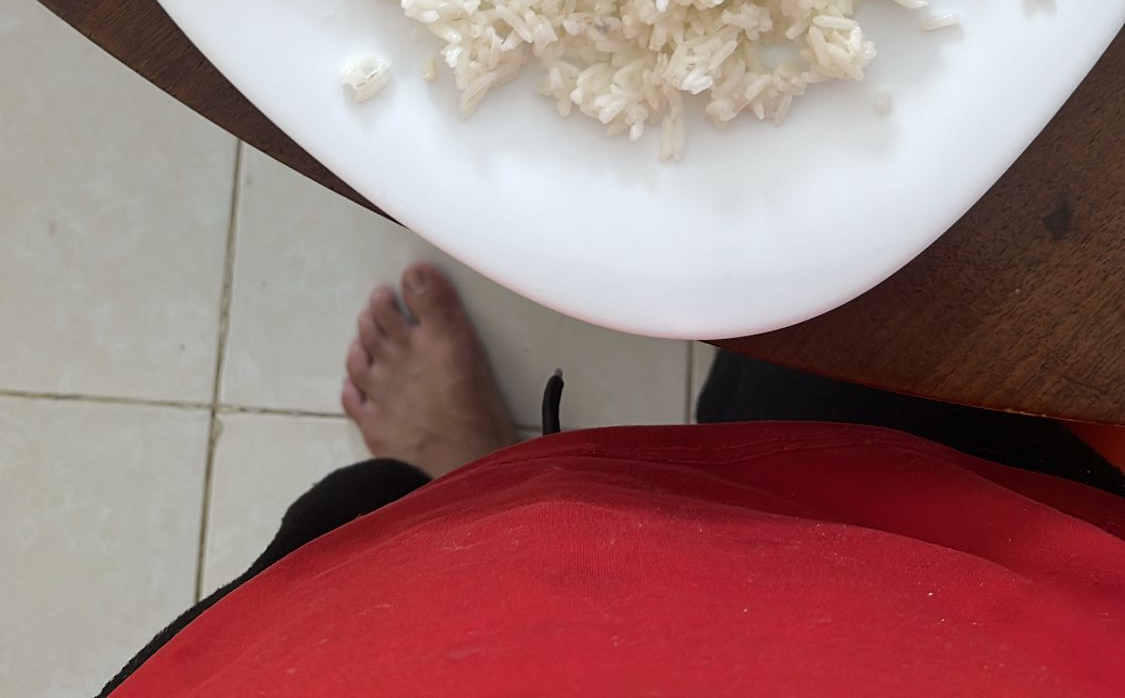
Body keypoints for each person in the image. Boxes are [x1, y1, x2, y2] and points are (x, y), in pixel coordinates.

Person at [105, 264, 1125, 696]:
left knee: (367, 550)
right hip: (988, 584)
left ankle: (462, 490)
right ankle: (489, 494)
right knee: (833, 383)